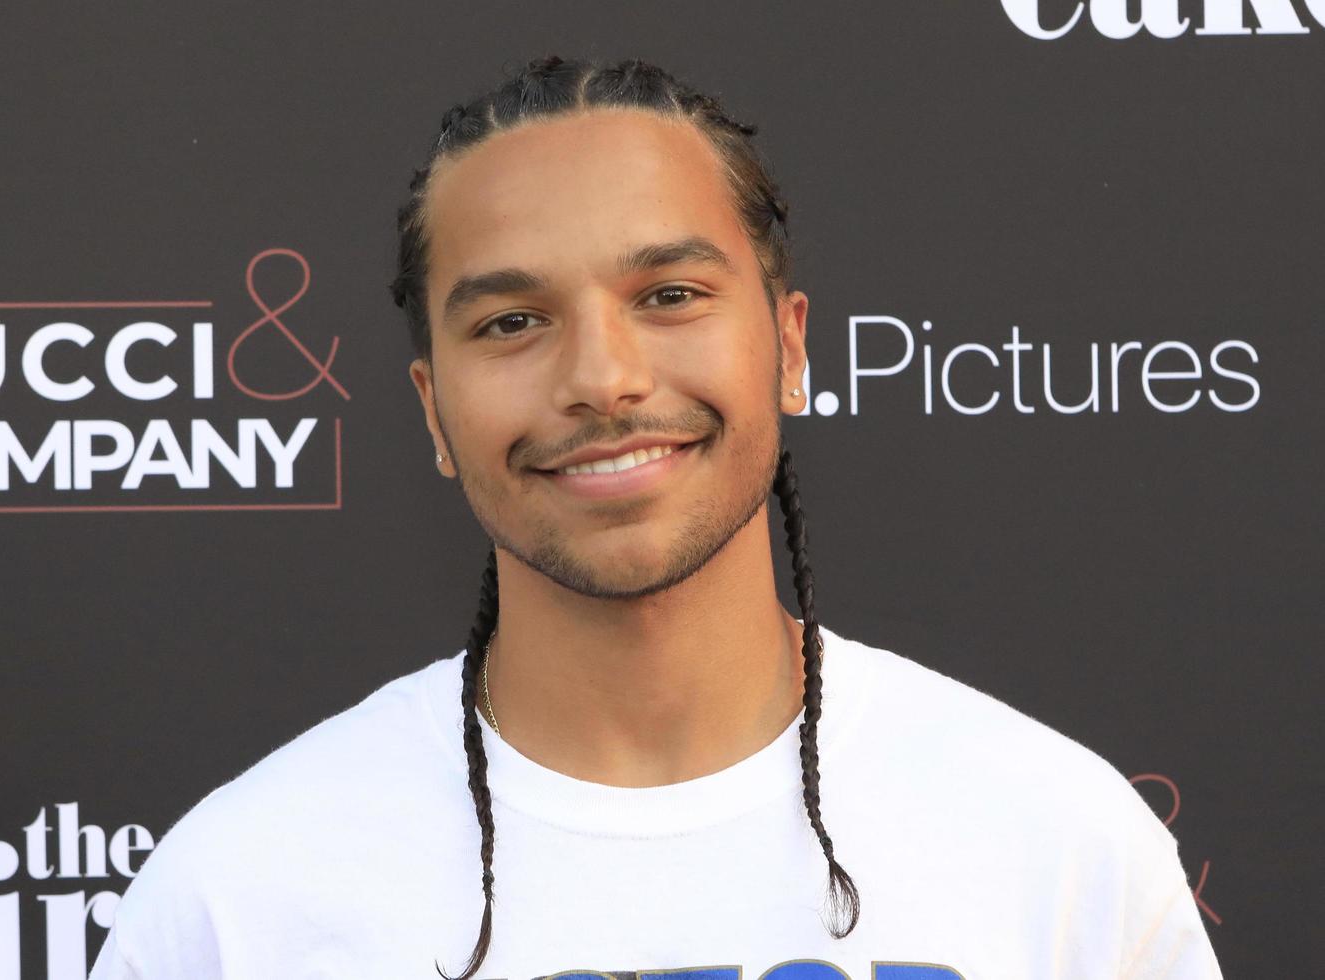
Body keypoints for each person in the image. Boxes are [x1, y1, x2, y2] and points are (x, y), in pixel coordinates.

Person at [89, 55, 1224, 979]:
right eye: (511, 322)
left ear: (787, 345)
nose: (603, 376)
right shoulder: (237, 898)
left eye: (669, 296)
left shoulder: (1058, 839)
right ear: (433, 413)